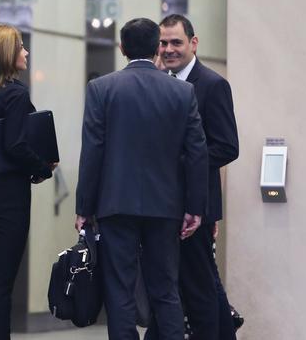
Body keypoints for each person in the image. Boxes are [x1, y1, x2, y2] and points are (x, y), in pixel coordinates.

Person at [75, 17, 208, 340]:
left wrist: (84, 207)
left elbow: (93, 151)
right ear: (156, 48)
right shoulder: (182, 92)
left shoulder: (101, 89)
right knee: (165, 289)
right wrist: (195, 207)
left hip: (115, 205)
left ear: (122, 48)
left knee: (119, 290)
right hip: (166, 207)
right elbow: (197, 153)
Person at [150, 14, 240, 340]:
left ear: (194, 43)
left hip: (197, 206)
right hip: (165, 205)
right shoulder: (160, 82)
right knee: (177, 285)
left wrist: (182, 163)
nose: (169, 49)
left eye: (176, 42)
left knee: (197, 287)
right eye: (163, 43)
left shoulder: (213, 85)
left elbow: (228, 147)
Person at [0, 24, 56, 340]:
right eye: (21, 46)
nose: (26, 52)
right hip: (10, 195)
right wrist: (44, 168)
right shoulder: (17, 93)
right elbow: (17, 145)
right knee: (1, 284)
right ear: (7, 54)